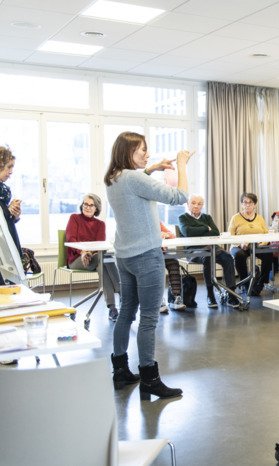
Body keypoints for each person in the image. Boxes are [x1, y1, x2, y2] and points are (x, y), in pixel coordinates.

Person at [105, 131, 194, 400]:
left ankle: (120, 369)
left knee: (127, 311)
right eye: (142, 150)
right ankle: (150, 379)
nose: (147, 154)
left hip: (125, 256)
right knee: (148, 319)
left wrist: (153, 168)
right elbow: (180, 196)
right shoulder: (133, 178)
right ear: (127, 152)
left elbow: (136, 184)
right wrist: (181, 164)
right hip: (146, 256)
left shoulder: (114, 178)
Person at [65, 193, 121, 321]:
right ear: (82, 205)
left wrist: (89, 252)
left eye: (91, 205)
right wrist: (83, 252)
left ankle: (112, 309)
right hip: (76, 259)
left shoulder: (100, 224)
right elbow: (71, 239)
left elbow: (100, 244)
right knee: (104, 258)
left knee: (103, 263)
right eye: (86, 204)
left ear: (96, 208)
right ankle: (120, 289)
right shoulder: (74, 218)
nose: (88, 207)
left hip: (94, 258)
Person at [178, 194, 238, 309]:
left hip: (213, 248)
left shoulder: (207, 217)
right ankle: (210, 294)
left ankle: (231, 294)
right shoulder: (183, 218)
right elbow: (187, 232)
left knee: (228, 258)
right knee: (207, 257)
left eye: (199, 203)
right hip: (194, 251)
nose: (196, 206)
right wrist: (206, 228)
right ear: (188, 204)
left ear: (203, 205)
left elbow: (215, 232)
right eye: (193, 203)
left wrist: (203, 230)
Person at [228, 193, 274, 297]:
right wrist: (241, 244)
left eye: (250, 202)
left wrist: (263, 243)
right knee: (239, 255)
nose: (247, 205)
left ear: (255, 204)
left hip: (256, 245)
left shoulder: (259, 218)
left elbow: (266, 234)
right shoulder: (236, 218)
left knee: (268, 253)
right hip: (238, 245)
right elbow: (230, 236)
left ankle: (261, 283)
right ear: (242, 204)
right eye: (245, 202)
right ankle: (245, 284)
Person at [0, 146, 22, 255]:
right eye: (9, 167)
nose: (11, 172)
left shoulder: (3, 191)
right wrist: (8, 211)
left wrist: (14, 215)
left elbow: (5, 218)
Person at [159, 222, 185, 312]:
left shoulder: (156, 222)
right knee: (157, 265)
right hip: (147, 253)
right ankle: (158, 300)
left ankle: (175, 297)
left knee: (174, 262)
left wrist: (165, 234)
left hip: (161, 252)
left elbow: (172, 235)